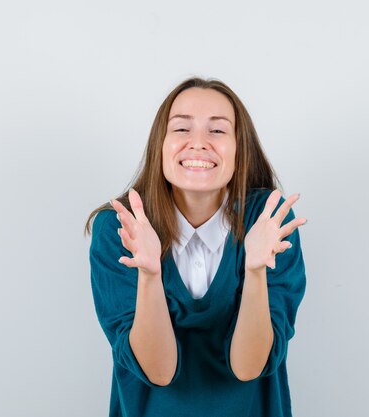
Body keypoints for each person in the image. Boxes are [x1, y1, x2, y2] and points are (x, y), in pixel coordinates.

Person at [83, 76, 308, 417]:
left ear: (239, 147)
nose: (199, 143)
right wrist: (149, 274)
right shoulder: (119, 228)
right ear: (160, 143)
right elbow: (157, 371)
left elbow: (249, 367)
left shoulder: (271, 223)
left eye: (217, 130)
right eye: (182, 129)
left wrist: (255, 270)